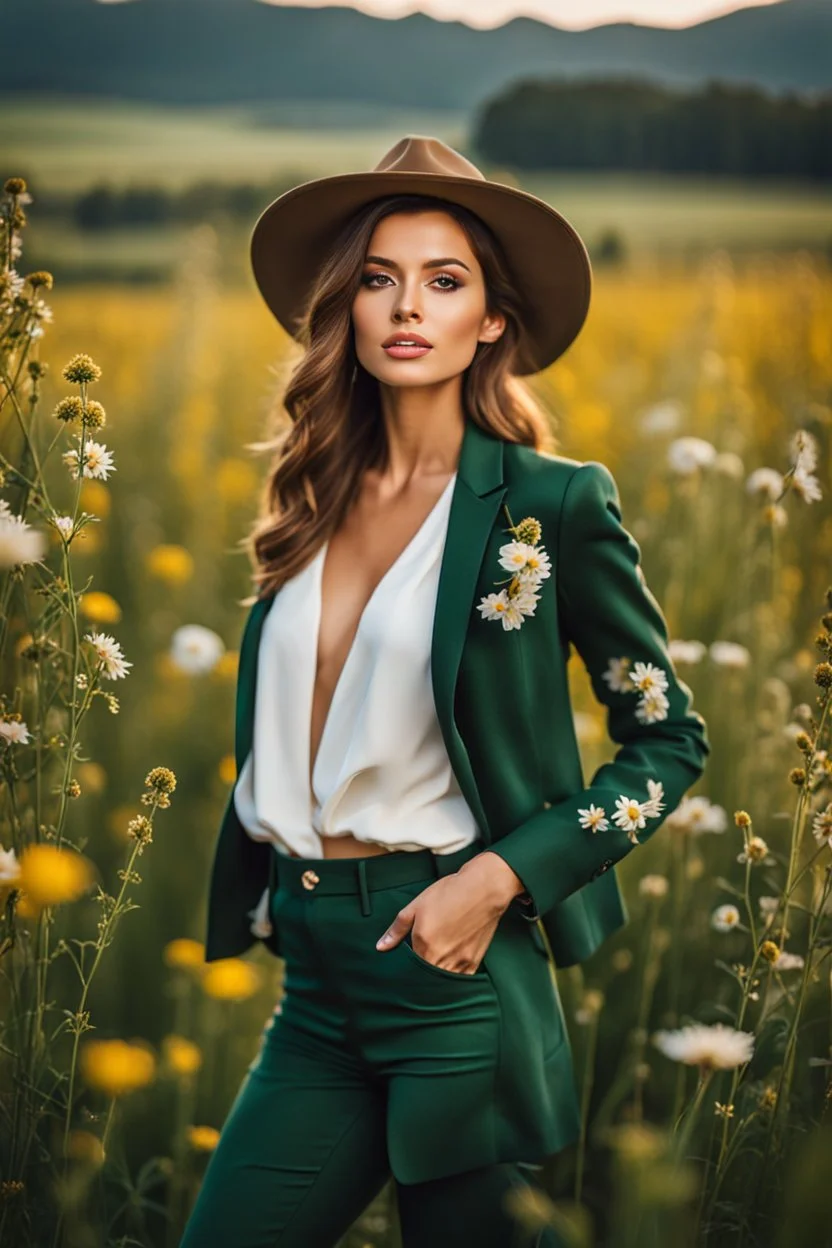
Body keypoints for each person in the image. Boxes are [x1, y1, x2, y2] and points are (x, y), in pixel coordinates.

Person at [180, 135, 710, 1248]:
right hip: (315, 989)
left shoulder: (551, 506)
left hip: (455, 974)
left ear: (493, 320)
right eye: (377, 278)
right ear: (346, 309)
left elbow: (667, 742)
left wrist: (504, 877)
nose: (404, 306)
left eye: (443, 279)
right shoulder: (309, 495)